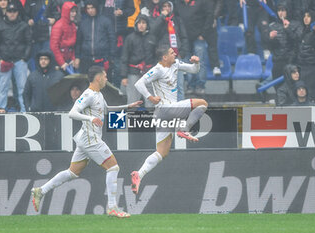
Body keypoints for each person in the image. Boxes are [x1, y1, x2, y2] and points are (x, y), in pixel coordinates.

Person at [31, 66, 142, 218]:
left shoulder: (98, 94)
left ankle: (40, 191)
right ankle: (112, 207)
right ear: (98, 78)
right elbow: (72, 113)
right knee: (113, 168)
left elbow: (107, 109)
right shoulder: (88, 94)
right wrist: (91, 118)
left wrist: (128, 106)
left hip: (86, 138)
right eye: (105, 76)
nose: (106, 79)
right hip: (91, 139)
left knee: (72, 172)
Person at [131, 45, 208, 195]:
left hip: (162, 114)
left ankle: (139, 174)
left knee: (162, 152)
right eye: (172, 53)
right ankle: (184, 129)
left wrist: (196, 62)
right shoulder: (158, 69)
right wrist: (150, 97)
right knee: (203, 103)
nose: (175, 54)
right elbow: (138, 83)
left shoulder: (176, 64)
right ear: (164, 57)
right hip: (167, 109)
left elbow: (193, 70)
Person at [0, 1, 32, 113]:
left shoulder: (24, 26)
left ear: (18, 12)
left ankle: (24, 110)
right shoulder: (0, 25)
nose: (12, 13)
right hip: (5, 61)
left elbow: (29, 42)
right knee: (3, 88)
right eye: (10, 11)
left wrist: (24, 58)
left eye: (14, 11)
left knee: (22, 88)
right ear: (6, 12)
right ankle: (1, 108)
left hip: (20, 61)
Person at [264, 2, 302, 91]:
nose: (281, 13)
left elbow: (298, 41)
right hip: (278, 61)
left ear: (288, 11)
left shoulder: (296, 24)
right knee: (278, 87)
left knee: (293, 87)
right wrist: (270, 38)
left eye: (283, 10)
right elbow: (270, 47)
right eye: (279, 10)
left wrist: (288, 29)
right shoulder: (272, 26)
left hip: (292, 61)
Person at [120, 14, 156, 107]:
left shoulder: (152, 38)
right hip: (133, 72)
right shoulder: (130, 38)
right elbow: (124, 57)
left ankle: (151, 119)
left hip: (148, 72)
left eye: (143, 23)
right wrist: (124, 76)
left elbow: (156, 57)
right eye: (139, 23)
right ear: (136, 24)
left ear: (147, 25)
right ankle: (131, 119)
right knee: (133, 100)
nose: (141, 25)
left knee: (151, 99)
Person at [74, 0, 116, 75]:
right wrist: (77, 57)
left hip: (103, 59)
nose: (90, 10)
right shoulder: (83, 22)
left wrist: (111, 57)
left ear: (96, 8)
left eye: (92, 8)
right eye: (88, 8)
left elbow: (112, 39)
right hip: (86, 59)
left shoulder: (106, 21)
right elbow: (78, 41)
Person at [50, 1, 78, 73]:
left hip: (69, 61)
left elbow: (73, 46)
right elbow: (54, 46)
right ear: (66, 12)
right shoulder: (58, 26)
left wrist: (73, 59)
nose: (74, 14)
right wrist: (61, 62)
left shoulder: (73, 26)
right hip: (59, 63)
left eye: (75, 12)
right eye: (72, 12)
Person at [296, 11, 315, 101]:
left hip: (311, 66)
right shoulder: (303, 31)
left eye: (308, 16)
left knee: (311, 93)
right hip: (302, 66)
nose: (306, 18)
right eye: (304, 16)